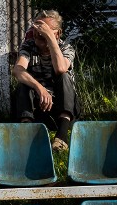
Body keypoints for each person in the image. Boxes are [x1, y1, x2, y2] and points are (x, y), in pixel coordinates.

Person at [13, 9, 80, 152]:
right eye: (37, 27)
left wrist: (50, 39)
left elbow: (61, 68)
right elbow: (18, 70)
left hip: (62, 107)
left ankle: (61, 138)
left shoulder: (66, 48)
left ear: (58, 33)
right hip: (39, 105)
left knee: (64, 77)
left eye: (44, 29)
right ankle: (27, 136)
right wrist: (39, 88)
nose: (39, 32)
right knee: (23, 85)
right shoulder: (29, 46)